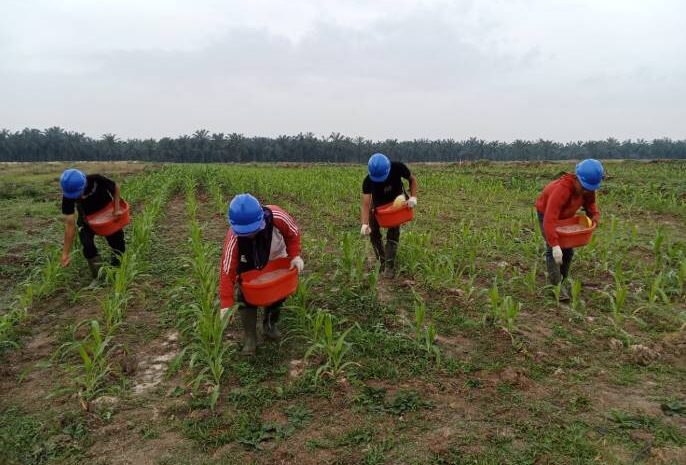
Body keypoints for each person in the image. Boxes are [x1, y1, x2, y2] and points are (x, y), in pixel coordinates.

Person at [219, 194, 304, 356]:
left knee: (278, 292)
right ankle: (250, 338)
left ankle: (270, 325)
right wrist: (226, 302)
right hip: (249, 261)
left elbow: (293, 233)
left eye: (253, 229)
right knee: (245, 296)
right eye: (245, 232)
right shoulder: (233, 237)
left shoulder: (277, 216)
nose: (250, 234)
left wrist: (294, 255)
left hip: (275, 254)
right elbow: (227, 269)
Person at [535, 159, 604, 300]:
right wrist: (554, 244)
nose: (586, 191)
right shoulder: (562, 189)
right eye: (584, 187)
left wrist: (594, 217)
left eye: (590, 189)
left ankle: (562, 279)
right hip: (547, 214)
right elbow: (550, 218)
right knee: (553, 250)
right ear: (577, 178)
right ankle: (556, 287)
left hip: (566, 217)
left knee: (568, 250)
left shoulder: (588, 189)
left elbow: (590, 205)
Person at [60, 168, 125, 285]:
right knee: (87, 244)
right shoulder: (68, 196)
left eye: (77, 193)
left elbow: (115, 187)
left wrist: (116, 209)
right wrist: (65, 253)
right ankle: (98, 276)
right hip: (87, 219)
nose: (76, 196)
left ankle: (117, 268)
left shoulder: (97, 179)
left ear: (84, 184)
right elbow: (70, 225)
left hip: (107, 213)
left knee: (117, 242)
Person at [360, 153, 418, 277]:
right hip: (377, 207)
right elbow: (366, 204)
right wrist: (365, 224)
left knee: (393, 233)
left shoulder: (398, 167)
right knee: (373, 233)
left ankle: (389, 266)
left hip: (396, 204)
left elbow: (412, 179)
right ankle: (381, 261)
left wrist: (413, 197)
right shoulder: (368, 181)